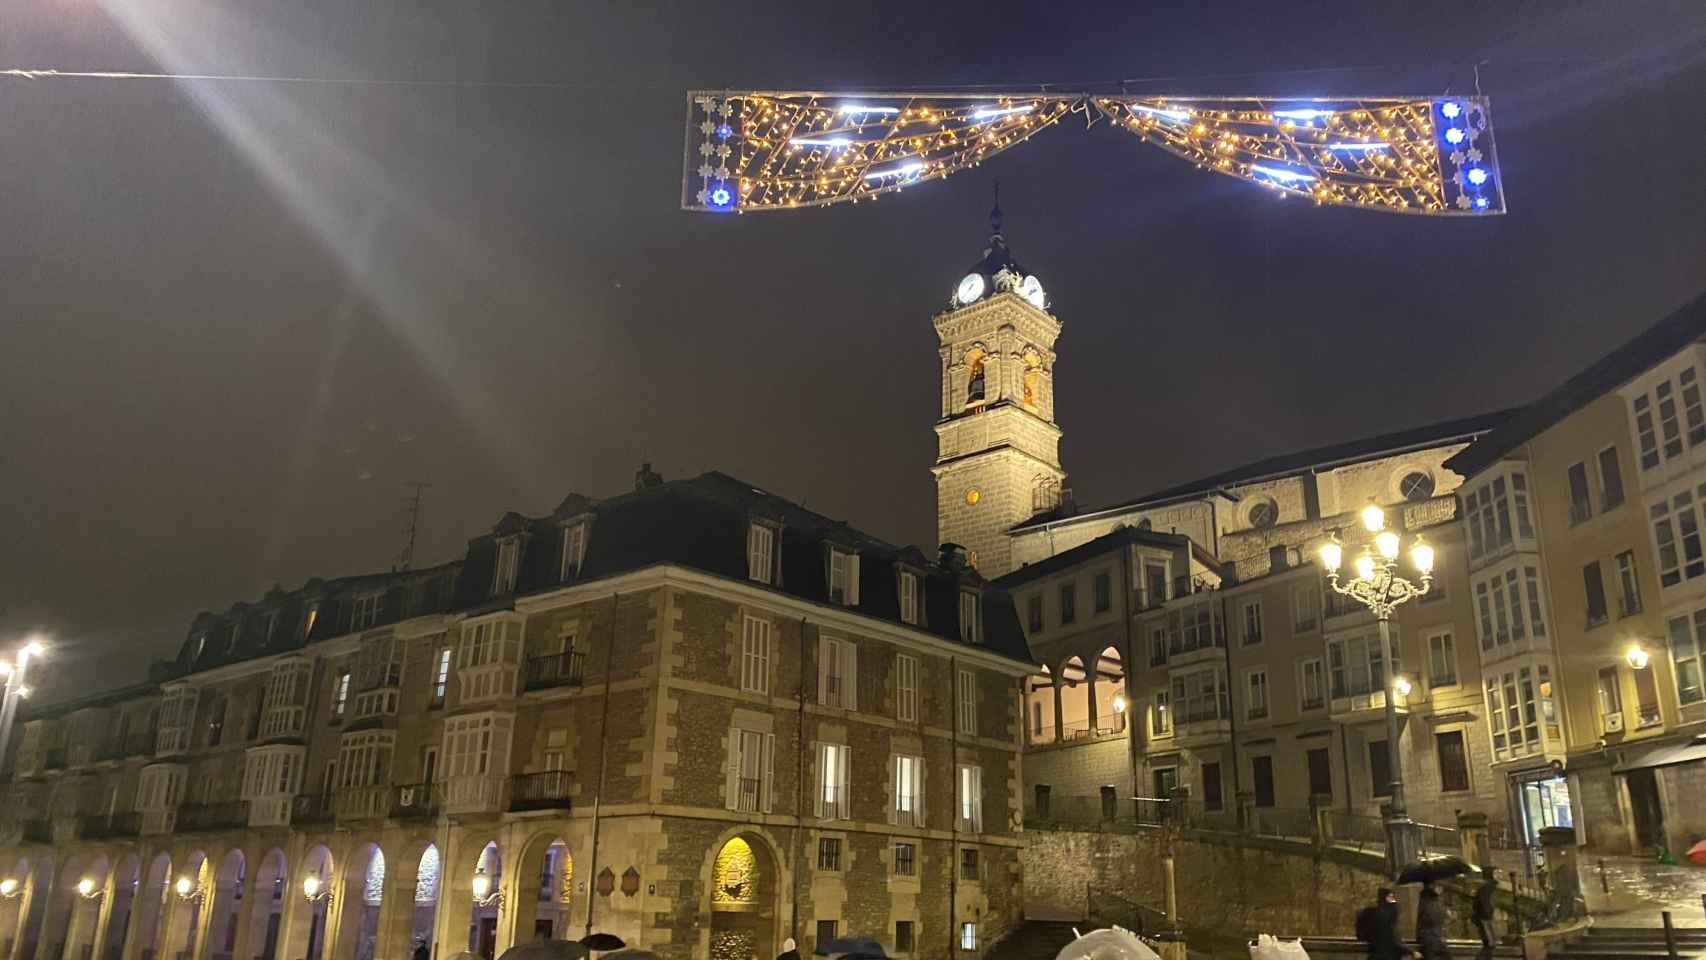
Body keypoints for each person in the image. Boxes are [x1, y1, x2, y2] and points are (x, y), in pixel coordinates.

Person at [1361, 887, 1413, 960]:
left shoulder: (1372, 914)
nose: (1393, 900)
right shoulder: (1387, 918)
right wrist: (1412, 952)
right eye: (1390, 897)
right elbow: (1395, 940)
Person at [1416, 880, 1449, 960]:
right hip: (1431, 938)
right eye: (1439, 887)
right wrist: (1444, 912)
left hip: (1432, 937)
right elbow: (1433, 919)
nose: (1441, 889)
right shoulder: (1430, 901)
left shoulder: (1430, 901)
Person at [1473, 868, 1499, 960]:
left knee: (1490, 943)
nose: (1499, 875)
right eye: (1496, 873)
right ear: (1491, 875)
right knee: (1490, 943)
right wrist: (1487, 915)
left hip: (1486, 917)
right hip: (1485, 918)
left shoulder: (1490, 886)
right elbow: (1483, 902)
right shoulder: (1487, 887)